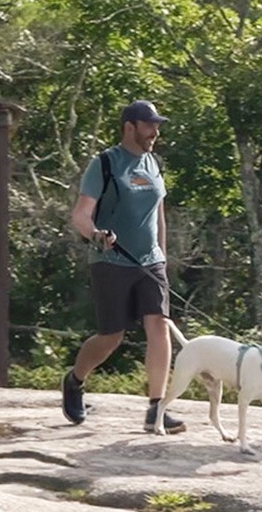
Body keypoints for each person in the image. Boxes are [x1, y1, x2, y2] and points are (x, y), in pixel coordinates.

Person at [61, 99, 185, 435]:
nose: (154, 132)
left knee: (158, 325)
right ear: (129, 127)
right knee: (111, 337)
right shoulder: (104, 164)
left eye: (157, 125)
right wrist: (97, 235)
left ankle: (156, 409)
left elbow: (157, 211)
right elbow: (81, 214)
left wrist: (162, 254)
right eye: (149, 125)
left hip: (150, 263)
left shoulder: (153, 163)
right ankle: (75, 380)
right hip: (111, 261)